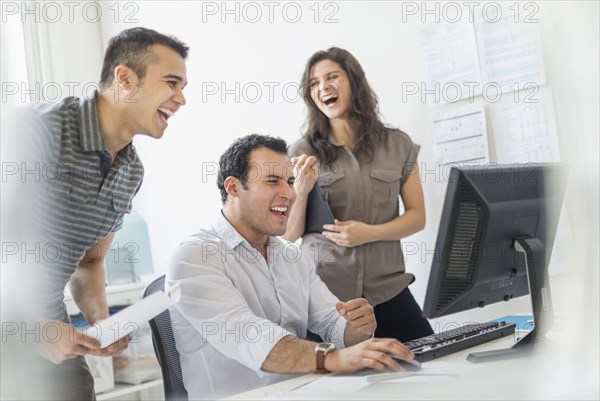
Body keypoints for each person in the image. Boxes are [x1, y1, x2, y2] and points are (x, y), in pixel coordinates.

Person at [1, 27, 188, 400]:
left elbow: (90, 261)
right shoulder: (37, 130)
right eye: (171, 83)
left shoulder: (131, 171)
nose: (181, 99)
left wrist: (102, 322)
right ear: (125, 78)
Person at [166, 134, 416, 400]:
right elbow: (250, 336)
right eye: (273, 181)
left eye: (290, 182)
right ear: (234, 188)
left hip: (306, 392)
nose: (288, 193)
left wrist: (357, 327)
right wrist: (332, 358)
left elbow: (332, 322)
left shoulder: (291, 257)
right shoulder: (194, 257)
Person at [283, 47, 434, 343]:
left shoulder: (398, 144)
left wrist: (370, 233)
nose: (323, 87)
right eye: (314, 83)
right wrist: (300, 189)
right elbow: (288, 235)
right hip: (327, 298)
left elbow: (417, 217)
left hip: (388, 290)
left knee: (430, 360)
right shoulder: (300, 152)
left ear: (354, 81)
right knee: (336, 385)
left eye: (332, 77)